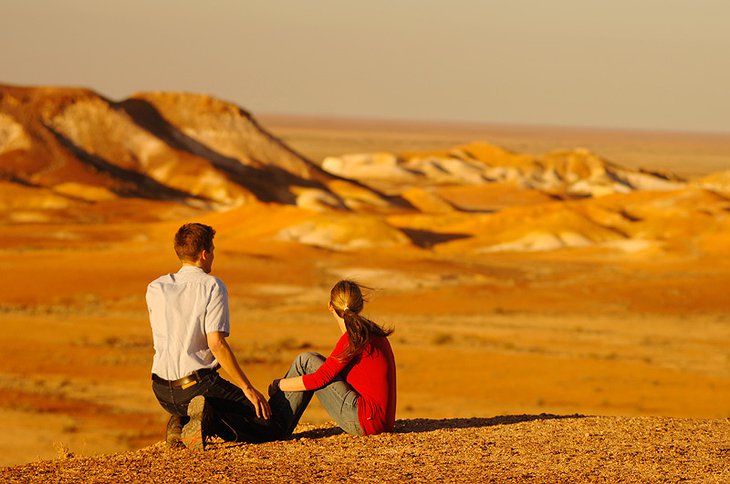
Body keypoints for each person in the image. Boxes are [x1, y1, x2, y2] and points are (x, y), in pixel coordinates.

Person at [147, 222, 272, 450]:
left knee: (204, 402)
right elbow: (216, 343)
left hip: (161, 391)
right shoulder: (212, 286)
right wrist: (247, 387)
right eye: (212, 250)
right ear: (204, 254)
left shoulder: (156, 287)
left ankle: (180, 420)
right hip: (196, 387)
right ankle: (206, 421)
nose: (213, 255)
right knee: (267, 424)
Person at [268, 280, 397, 438]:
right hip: (381, 421)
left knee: (306, 361)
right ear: (360, 305)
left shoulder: (353, 338)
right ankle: (273, 422)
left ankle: (271, 425)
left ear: (330, 305)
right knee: (311, 360)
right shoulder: (370, 331)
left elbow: (319, 379)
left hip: (366, 421)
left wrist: (278, 384)